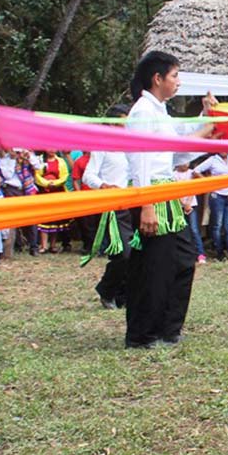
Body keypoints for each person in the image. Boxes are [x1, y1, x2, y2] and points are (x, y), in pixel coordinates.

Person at [123, 51, 216, 349]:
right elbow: (140, 160)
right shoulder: (142, 113)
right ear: (157, 78)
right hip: (151, 196)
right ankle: (142, 335)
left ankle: (168, 329)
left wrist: (206, 118)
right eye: (175, 75)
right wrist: (147, 205)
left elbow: (179, 150)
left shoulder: (160, 112)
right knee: (154, 268)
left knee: (184, 259)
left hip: (167, 195)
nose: (178, 82)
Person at [81, 106, 134, 309]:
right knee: (123, 252)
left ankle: (123, 295)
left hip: (133, 203)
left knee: (136, 251)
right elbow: (88, 175)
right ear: (112, 123)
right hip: (113, 206)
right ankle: (106, 289)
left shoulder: (131, 146)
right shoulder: (102, 146)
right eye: (123, 121)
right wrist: (104, 185)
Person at [33, 151, 70, 253]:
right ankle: (43, 245)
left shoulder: (61, 161)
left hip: (57, 192)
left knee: (55, 218)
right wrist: (47, 183)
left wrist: (55, 183)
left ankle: (53, 245)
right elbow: (36, 175)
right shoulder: (39, 160)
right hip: (44, 192)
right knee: (44, 218)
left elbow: (65, 175)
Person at [172, 161, 207, 264]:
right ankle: (185, 253)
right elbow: (174, 191)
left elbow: (197, 186)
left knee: (194, 229)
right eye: (183, 161)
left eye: (187, 161)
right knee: (181, 229)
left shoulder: (192, 173)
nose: (186, 163)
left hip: (191, 205)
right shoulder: (172, 174)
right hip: (178, 205)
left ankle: (200, 254)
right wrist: (183, 203)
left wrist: (188, 203)